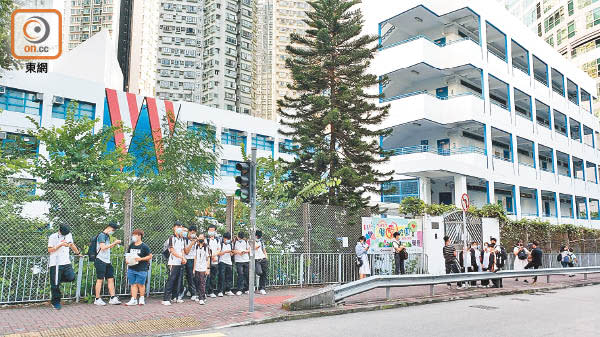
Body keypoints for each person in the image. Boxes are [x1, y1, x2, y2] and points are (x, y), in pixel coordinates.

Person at [47, 224, 81, 310]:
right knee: (55, 285)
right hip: (55, 263)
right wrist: (61, 244)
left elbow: (72, 245)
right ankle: (55, 302)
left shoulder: (68, 235)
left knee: (71, 277)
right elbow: (50, 250)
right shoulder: (53, 237)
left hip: (66, 262)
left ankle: (58, 280)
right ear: (59, 231)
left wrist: (78, 253)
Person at [94, 222, 122, 306]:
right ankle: (97, 299)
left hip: (107, 260)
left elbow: (107, 247)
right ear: (109, 228)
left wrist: (114, 244)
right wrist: (114, 243)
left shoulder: (107, 236)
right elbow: (102, 247)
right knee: (100, 279)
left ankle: (113, 298)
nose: (113, 231)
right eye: (113, 230)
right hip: (100, 260)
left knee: (110, 278)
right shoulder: (101, 235)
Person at [125, 229, 152, 306]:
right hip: (131, 268)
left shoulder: (144, 246)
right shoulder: (131, 245)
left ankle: (142, 298)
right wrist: (127, 260)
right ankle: (133, 299)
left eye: (135, 235)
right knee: (133, 284)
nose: (133, 236)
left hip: (141, 268)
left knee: (141, 284)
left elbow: (150, 256)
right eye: (133, 235)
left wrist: (141, 259)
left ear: (139, 236)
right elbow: (128, 254)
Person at [162, 222, 186, 305]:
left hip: (180, 262)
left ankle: (175, 297)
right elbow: (172, 251)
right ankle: (166, 299)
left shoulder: (181, 239)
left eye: (180, 226)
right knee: (171, 280)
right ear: (174, 228)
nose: (179, 228)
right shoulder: (171, 238)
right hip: (173, 262)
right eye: (177, 226)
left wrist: (183, 258)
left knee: (179, 280)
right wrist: (181, 257)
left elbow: (182, 250)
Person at [180, 226, 198, 301]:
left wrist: (196, 241)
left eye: (194, 232)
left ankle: (192, 291)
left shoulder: (197, 240)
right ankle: (193, 293)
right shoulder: (185, 240)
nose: (192, 234)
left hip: (195, 259)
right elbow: (186, 251)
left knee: (195, 276)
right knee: (189, 276)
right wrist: (192, 243)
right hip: (187, 259)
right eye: (191, 232)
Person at [193, 233, 210, 305]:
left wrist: (207, 268)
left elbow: (208, 258)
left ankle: (201, 298)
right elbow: (195, 258)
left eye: (201, 237)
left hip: (203, 267)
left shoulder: (206, 247)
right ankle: (201, 295)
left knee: (202, 282)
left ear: (204, 238)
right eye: (199, 237)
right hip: (197, 267)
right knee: (197, 281)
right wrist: (194, 268)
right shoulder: (196, 246)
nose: (200, 239)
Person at [205, 224, 221, 298]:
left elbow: (219, 249)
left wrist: (214, 256)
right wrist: (211, 256)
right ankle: (205, 291)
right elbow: (206, 249)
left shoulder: (217, 240)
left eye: (212, 230)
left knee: (213, 277)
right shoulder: (206, 240)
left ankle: (211, 291)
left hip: (215, 261)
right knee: (207, 276)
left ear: (215, 231)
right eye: (210, 230)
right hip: (207, 261)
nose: (211, 232)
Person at [217, 232, 235, 297]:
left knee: (229, 277)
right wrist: (225, 252)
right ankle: (220, 291)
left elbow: (231, 254)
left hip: (229, 262)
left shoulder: (230, 245)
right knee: (221, 276)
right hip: (222, 261)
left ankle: (228, 290)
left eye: (228, 239)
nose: (227, 240)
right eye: (226, 239)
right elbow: (218, 253)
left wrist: (232, 253)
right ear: (223, 238)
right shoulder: (220, 244)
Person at [233, 231, 250, 295]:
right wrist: (238, 252)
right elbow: (232, 250)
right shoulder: (234, 242)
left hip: (246, 260)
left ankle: (247, 288)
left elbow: (249, 249)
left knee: (246, 274)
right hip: (238, 260)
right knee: (240, 274)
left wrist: (244, 251)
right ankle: (239, 289)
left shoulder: (246, 241)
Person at [255, 230, 269, 294]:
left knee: (264, 273)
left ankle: (262, 288)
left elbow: (264, 250)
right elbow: (250, 249)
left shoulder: (261, 241)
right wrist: (255, 247)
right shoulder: (251, 241)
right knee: (259, 272)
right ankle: (254, 286)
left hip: (263, 258)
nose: (258, 237)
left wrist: (266, 257)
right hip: (256, 259)